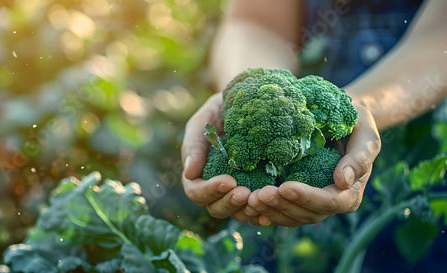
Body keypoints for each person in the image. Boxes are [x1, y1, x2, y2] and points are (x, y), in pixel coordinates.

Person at [181, 0, 447, 227]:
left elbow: (441, 34)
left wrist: (359, 106)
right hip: (283, 200)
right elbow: (257, 24)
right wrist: (256, 88)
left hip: (425, 161)